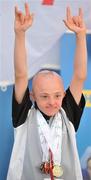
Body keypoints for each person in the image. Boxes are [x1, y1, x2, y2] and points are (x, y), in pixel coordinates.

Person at [7, 3, 87, 180]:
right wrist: (20, 34)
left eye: (57, 95)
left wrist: (81, 36)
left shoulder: (68, 113)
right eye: (44, 96)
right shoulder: (24, 115)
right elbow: (20, 75)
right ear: (32, 96)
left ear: (64, 95)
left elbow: (79, 75)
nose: (52, 102)